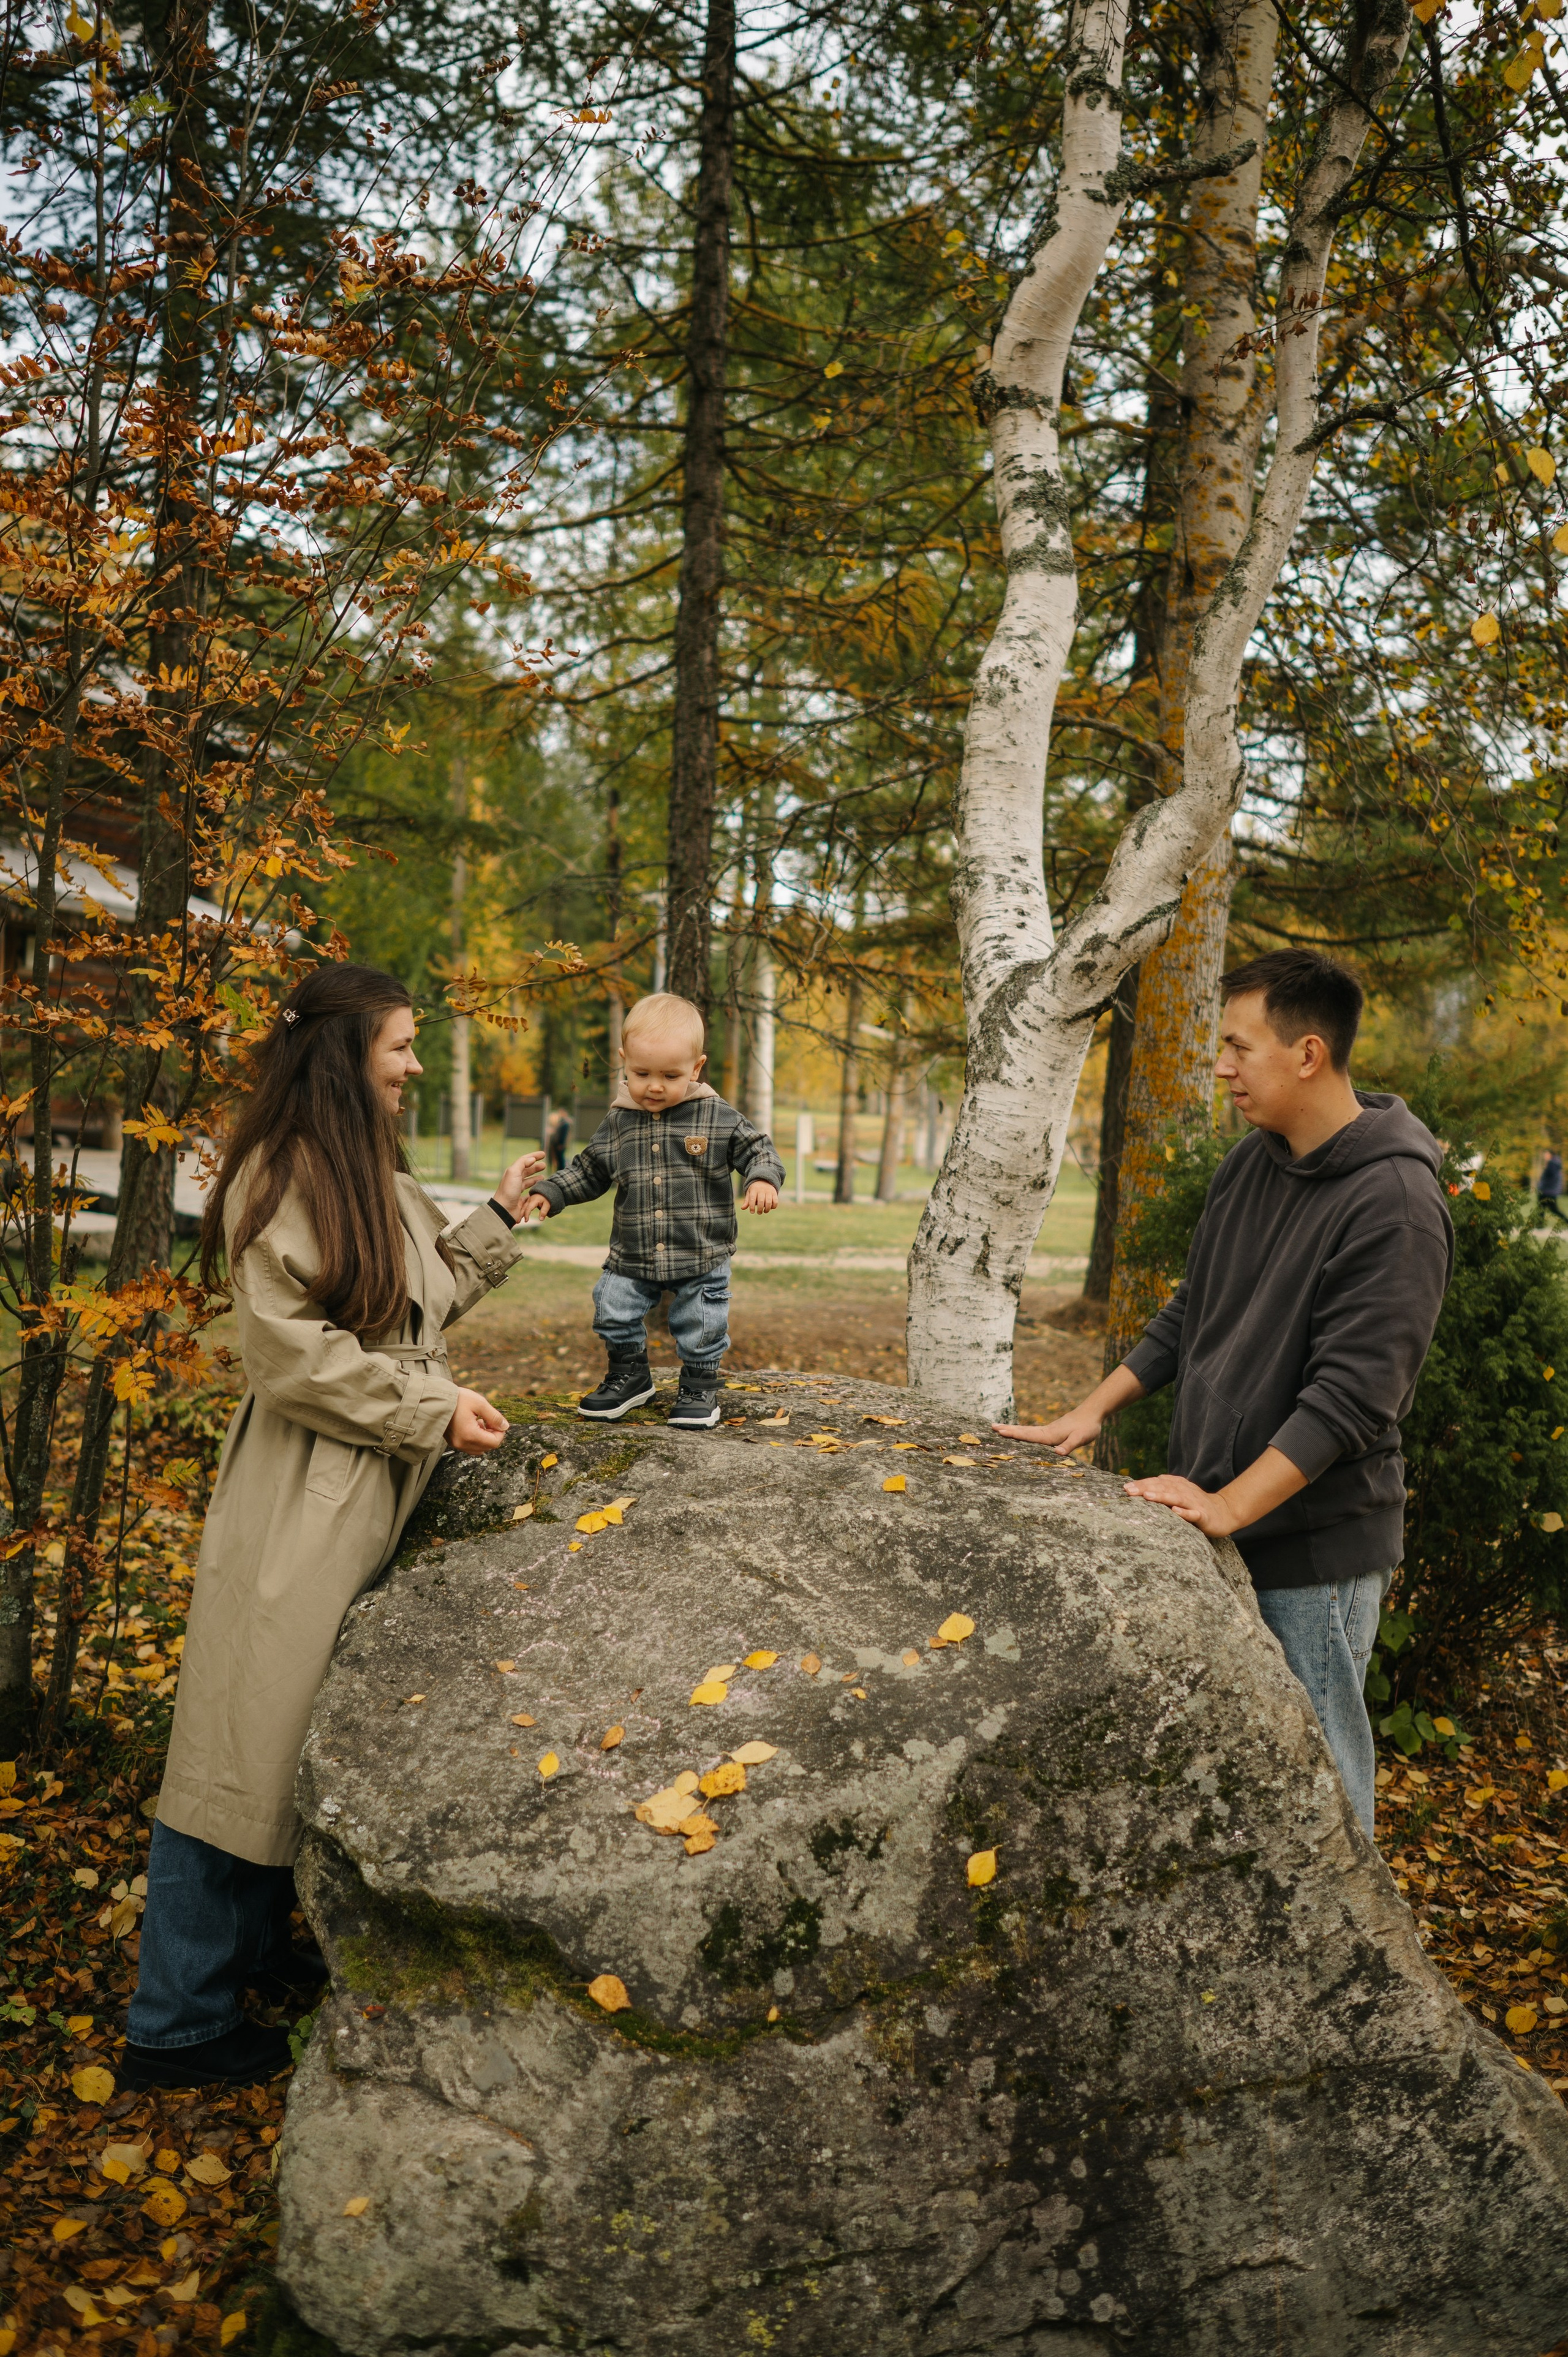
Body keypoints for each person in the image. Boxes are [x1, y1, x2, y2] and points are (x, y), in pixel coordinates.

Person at [124, 966, 545, 2091]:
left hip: (381, 1468)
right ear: (345, 1052)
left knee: (302, 1737)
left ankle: (253, 1959)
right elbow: (289, 1353)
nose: (414, 1064)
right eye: (402, 1046)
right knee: (240, 1741)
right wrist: (429, 1409)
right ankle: (174, 2023)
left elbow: (414, 1304)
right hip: (305, 1482)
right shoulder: (279, 1168)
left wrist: (499, 1218)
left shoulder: (369, 1162)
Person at [997, 948, 1453, 1838]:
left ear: (1308, 1054)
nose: (1221, 1065)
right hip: (1234, 1523)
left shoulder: (1395, 1201)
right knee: (1256, 1792)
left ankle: (1356, 1971)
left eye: (1241, 1046)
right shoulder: (1255, 1161)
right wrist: (1090, 1412)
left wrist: (1228, 1507)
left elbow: (1356, 1401)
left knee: (1322, 1792)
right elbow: (1194, 1307)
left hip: (1313, 1551)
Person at [524, 992, 785, 1430]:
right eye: (641, 1073)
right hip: (634, 1252)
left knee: (701, 1322)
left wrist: (760, 1179)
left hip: (701, 1251)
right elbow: (590, 1170)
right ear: (624, 1061)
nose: (655, 1086)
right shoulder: (619, 1121)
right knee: (612, 1307)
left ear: (696, 1068)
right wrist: (552, 1192)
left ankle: (699, 1384)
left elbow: (760, 1150)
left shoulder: (716, 1116)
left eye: (671, 1074)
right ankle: (631, 1376)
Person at [1537, 1148, 1566, 1224]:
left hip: (1547, 1191)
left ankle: (1539, 1225)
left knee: (1545, 1208)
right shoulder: (1555, 1164)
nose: (1545, 1156)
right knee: (1543, 1208)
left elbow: (1550, 1178)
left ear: (1550, 1155)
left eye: (1546, 1154)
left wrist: (1542, 1186)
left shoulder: (1552, 1165)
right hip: (1551, 1191)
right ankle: (1539, 1224)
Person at [546, 1104, 573, 1173]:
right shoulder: (561, 1122)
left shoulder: (566, 1124)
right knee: (558, 1159)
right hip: (557, 1144)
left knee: (561, 1159)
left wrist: (561, 1144)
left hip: (560, 1145)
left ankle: (561, 1171)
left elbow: (564, 1135)